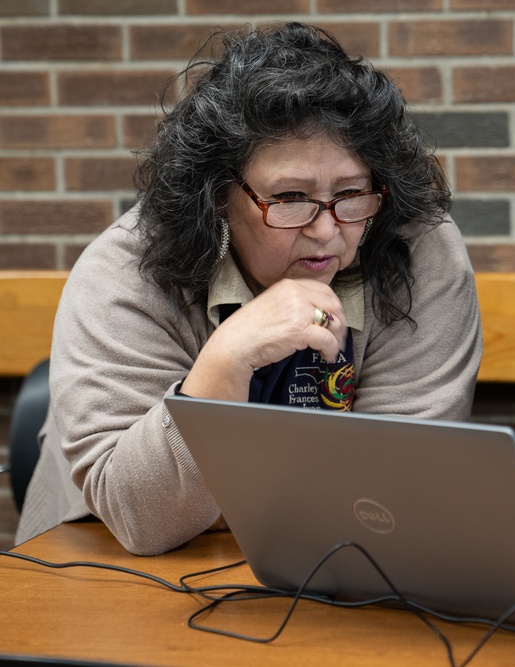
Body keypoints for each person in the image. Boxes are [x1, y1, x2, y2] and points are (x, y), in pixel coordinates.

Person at [16, 23, 482, 556]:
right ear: (217, 196)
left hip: (331, 567)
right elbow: (142, 517)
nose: (327, 230)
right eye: (289, 197)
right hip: (97, 568)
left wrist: (231, 500)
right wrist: (228, 359)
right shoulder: (125, 269)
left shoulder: (419, 250)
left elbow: (395, 491)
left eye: (351, 193)